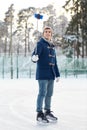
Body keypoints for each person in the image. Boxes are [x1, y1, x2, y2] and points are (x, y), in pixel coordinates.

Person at [31, 26, 60, 123]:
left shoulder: (52, 46)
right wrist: (34, 58)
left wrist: (57, 74)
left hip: (51, 74)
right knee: (42, 92)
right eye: (46, 31)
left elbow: (54, 61)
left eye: (49, 32)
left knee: (49, 93)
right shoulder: (40, 44)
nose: (48, 33)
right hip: (43, 73)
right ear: (43, 33)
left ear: (51, 34)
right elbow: (35, 55)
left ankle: (47, 111)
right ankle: (39, 113)